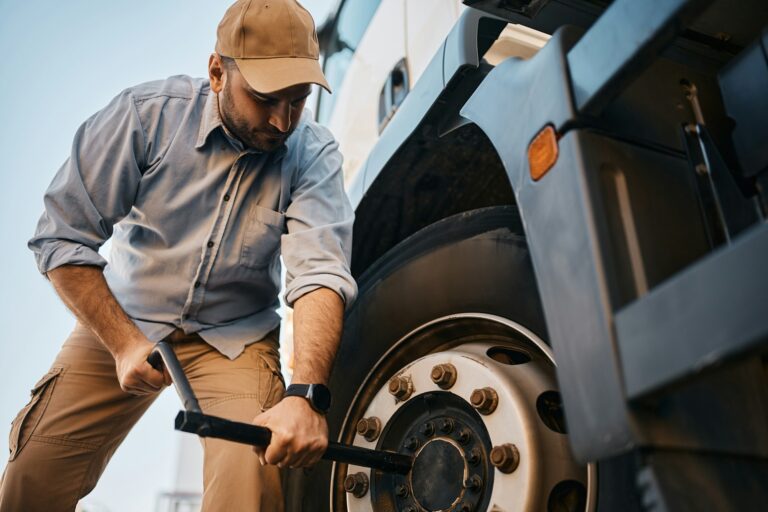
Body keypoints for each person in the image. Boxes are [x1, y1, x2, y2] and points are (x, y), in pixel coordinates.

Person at [0, 0, 357, 510]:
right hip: (125, 318)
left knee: (252, 476)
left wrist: (306, 396)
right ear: (217, 71)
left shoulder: (313, 154)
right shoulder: (144, 118)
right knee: (32, 476)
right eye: (265, 98)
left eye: (297, 100)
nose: (282, 121)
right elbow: (62, 238)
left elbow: (320, 274)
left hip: (235, 337)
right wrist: (123, 344)